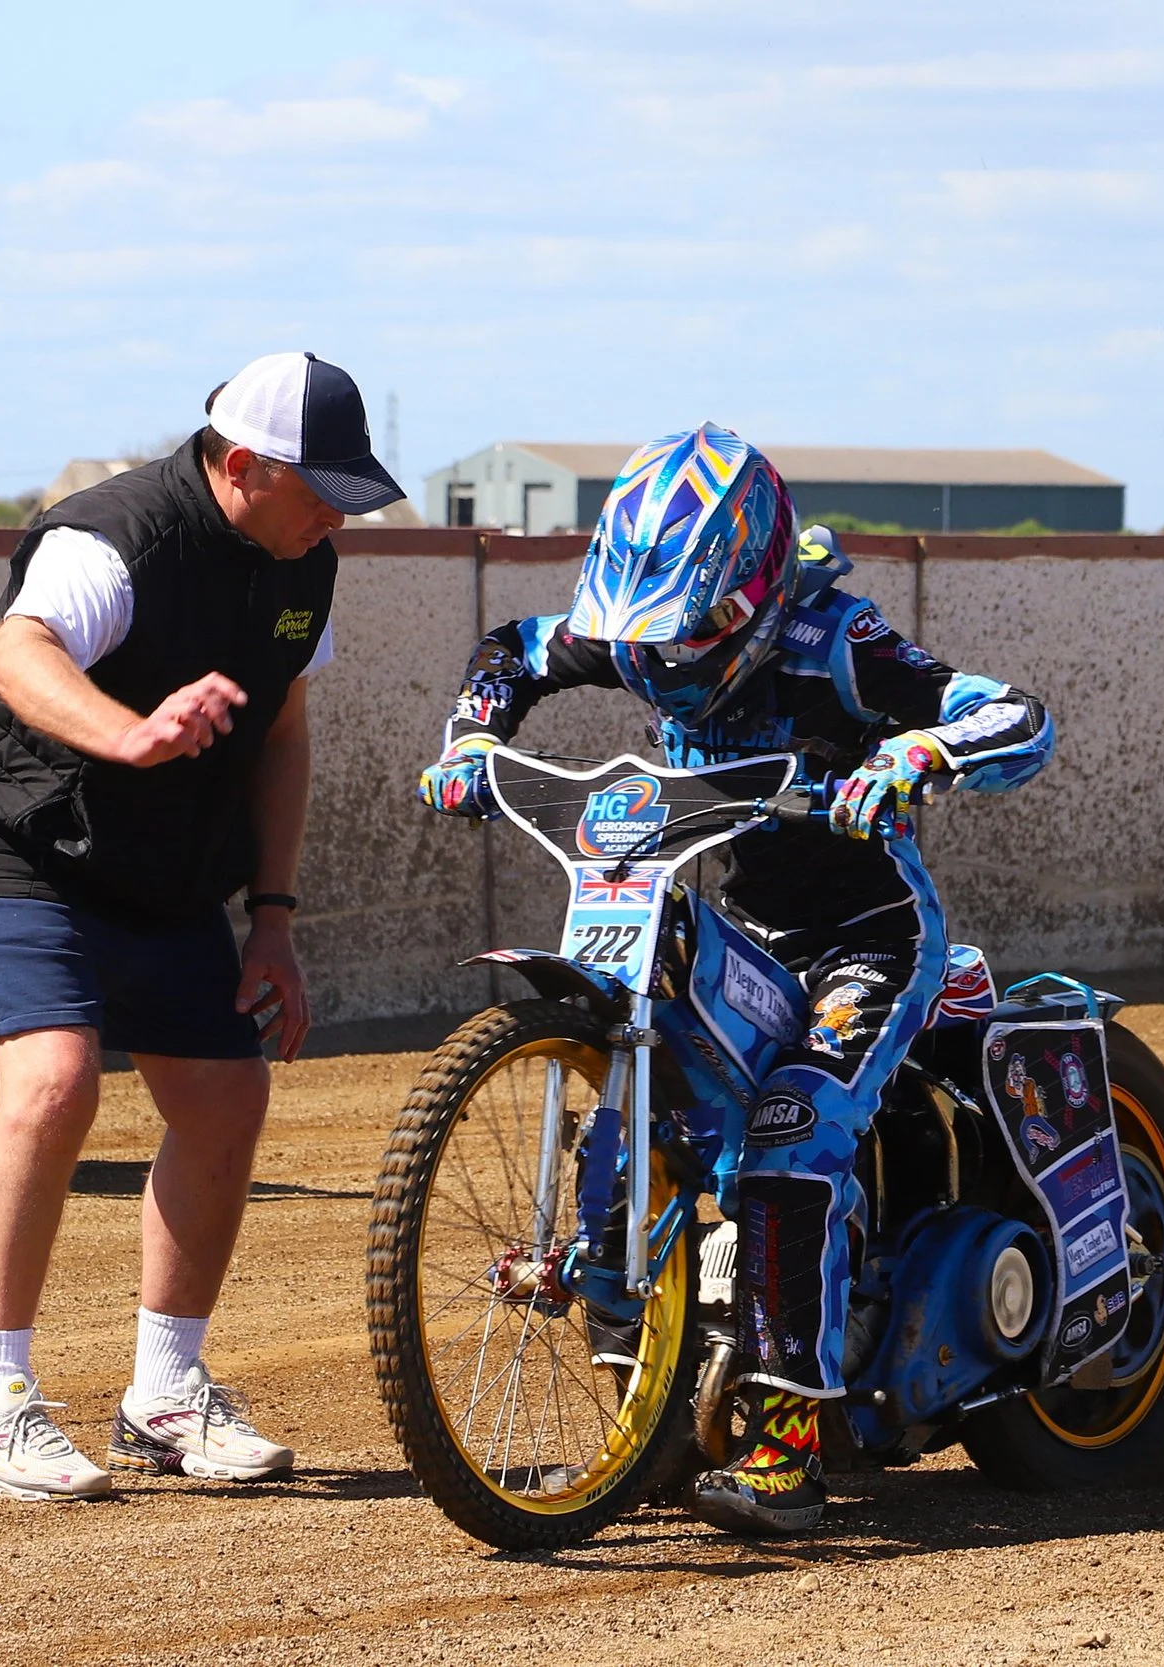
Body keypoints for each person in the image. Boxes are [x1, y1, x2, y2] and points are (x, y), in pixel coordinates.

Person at [414, 422, 1055, 1534]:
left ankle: (785, 1446)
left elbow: (1011, 712)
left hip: (869, 933)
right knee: (645, 1107)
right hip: (748, 927)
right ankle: (654, 1408)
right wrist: (472, 737)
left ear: (754, 591)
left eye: (692, 635)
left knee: (786, 1130)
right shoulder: (640, 638)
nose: (663, 664)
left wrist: (917, 752)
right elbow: (512, 649)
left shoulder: (834, 640)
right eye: (645, 641)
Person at [0, 351, 401, 1502]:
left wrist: (272, 918)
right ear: (241, 465)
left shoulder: (303, 562)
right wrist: (130, 732)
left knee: (226, 1092)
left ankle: (166, 1393)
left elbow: (281, 738)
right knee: (52, 1084)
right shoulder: (111, 537)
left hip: (165, 859)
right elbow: (15, 654)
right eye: (321, 489)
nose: (338, 515)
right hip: (23, 835)